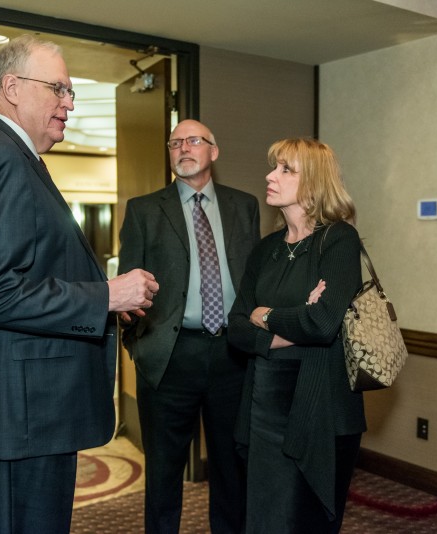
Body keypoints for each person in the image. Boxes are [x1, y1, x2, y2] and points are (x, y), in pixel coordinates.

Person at [0, 35, 158, 534]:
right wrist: (106, 295)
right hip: (18, 415)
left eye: (70, 91)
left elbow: (22, 274)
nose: (69, 103)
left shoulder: (10, 155)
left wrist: (103, 299)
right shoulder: (0, 158)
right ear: (12, 88)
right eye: (58, 88)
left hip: (24, 410)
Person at [118, 119, 261, 533]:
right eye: (175, 142)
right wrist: (138, 344)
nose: (183, 147)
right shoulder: (144, 209)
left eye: (193, 140)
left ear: (213, 151)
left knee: (232, 469)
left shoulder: (244, 206)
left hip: (232, 356)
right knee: (163, 473)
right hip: (169, 357)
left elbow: (254, 277)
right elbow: (127, 289)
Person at [227, 138, 366, 533]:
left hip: (319, 407)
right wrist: (297, 319)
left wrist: (266, 315)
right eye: (274, 167)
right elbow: (236, 327)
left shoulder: (338, 239)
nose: (270, 176)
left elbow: (323, 324)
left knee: (306, 522)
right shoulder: (265, 249)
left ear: (315, 181)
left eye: (285, 169)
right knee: (263, 518)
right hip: (262, 405)